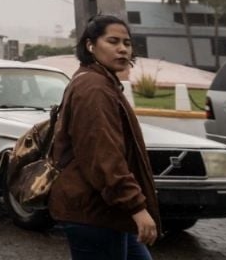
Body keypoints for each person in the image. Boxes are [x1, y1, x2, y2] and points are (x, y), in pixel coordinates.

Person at [49, 15, 160, 259]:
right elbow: (104, 156)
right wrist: (136, 207)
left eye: (127, 43)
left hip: (108, 210)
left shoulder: (100, 82)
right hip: (95, 214)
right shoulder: (94, 89)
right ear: (91, 46)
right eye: (113, 41)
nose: (122, 48)